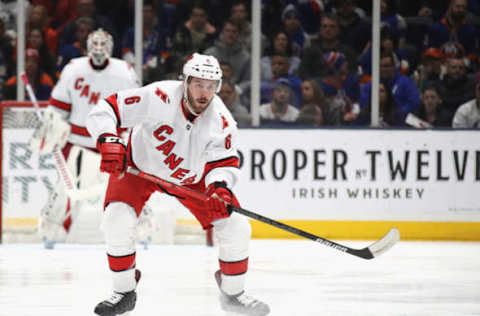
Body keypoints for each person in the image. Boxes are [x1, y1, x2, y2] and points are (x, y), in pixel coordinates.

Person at [86, 53, 270, 316]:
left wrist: (219, 187)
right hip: (139, 169)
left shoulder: (223, 121)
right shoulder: (158, 95)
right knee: (116, 218)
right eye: (198, 84)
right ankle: (124, 291)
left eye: (211, 86)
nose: (205, 93)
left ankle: (233, 294)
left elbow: (224, 162)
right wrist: (108, 139)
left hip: (190, 181)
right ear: (184, 81)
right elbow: (106, 109)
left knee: (236, 226)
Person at [28, 29, 153, 250]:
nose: (98, 50)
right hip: (78, 139)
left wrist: (133, 135)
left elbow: (137, 107)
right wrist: (52, 126)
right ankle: (51, 230)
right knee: (64, 189)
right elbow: (59, 107)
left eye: (103, 45)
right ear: (87, 47)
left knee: (131, 186)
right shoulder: (73, 69)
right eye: (94, 45)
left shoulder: (124, 72)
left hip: (113, 140)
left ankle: (142, 230)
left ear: (111, 48)